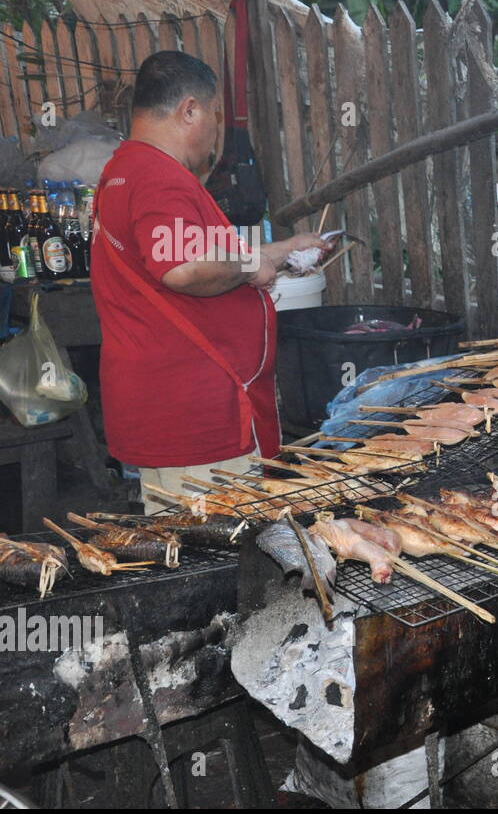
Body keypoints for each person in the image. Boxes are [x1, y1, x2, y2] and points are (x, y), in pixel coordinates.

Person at [91, 51, 331, 513]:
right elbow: (182, 268)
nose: (214, 133)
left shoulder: (122, 170)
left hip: (162, 410)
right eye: (214, 117)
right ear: (189, 111)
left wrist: (280, 251)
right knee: (223, 564)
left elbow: (170, 256)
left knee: (179, 550)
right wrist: (248, 267)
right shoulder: (161, 178)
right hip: (200, 419)